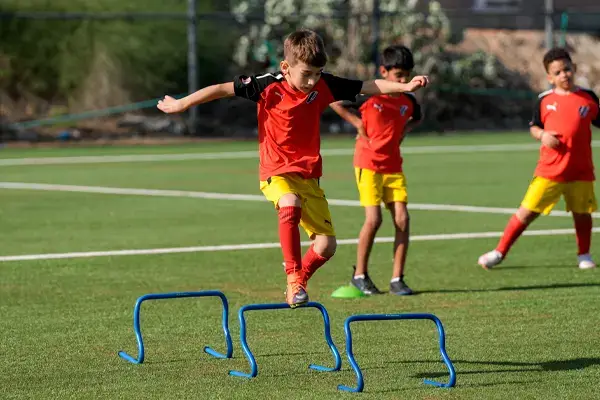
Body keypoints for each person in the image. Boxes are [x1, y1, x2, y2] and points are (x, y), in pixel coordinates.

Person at [158, 29, 429, 306]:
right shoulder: (266, 85)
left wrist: (406, 88)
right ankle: (292, 278)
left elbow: (369, 85)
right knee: (289, 203)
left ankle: (299, 279)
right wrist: (182, 103)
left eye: (318, 73)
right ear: (286, 67)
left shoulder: (324, 84)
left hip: (309, 177)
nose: (312, 80)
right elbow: (222, 89)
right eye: (307, 73)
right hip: (276, 172)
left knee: (326, 246)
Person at [478, 48, 600, 271]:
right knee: (527, 212)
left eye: (567, 69)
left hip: (581, 170)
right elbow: (534, 127)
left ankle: (584, 255)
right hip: (550, 170)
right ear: (550, 77)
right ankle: (500, 251)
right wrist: (543, 135)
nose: (564, 74)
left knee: (582, 214)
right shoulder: (544, 101)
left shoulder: (589, 98)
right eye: (558, 72)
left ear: (574, 69)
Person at [330, 45, 422, 296]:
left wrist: (403, 132)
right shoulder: (370, 95)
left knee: (403, 220)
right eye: (398, 76)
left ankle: (397, 279)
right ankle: (360, 274)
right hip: (368, 164)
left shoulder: (408, 101)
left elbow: (417, 117)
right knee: (374, 219)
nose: (403, 81)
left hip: (393, 167)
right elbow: (335, 100)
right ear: (384, 72)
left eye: (407, 75)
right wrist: (356, 122)